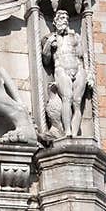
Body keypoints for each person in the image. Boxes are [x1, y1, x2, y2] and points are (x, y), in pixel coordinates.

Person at [41, 8, 92, 138]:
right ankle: (67, 131)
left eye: (66, 19)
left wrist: (89, 73)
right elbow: (46, 60)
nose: (65, 21)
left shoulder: (75, 36)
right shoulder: (49, 38)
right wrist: (48, 45)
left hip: (78, 68)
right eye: (62, 18)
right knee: (67, 98)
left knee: (77, 101)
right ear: (55, 21)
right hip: (61, 68)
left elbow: (82, 56)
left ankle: (74, 133)